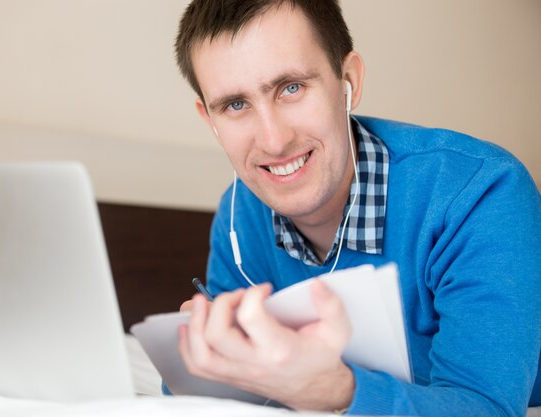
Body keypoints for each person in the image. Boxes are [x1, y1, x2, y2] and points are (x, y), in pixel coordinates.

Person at [172, 0, 541, 415]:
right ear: (211, 121)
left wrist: (336, 390)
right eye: (235, 105)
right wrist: (204, 362)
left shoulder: (478, 193)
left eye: (291, 88)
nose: (273, 141)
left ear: (348, 81)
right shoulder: (240, 215)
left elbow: (487, 407)